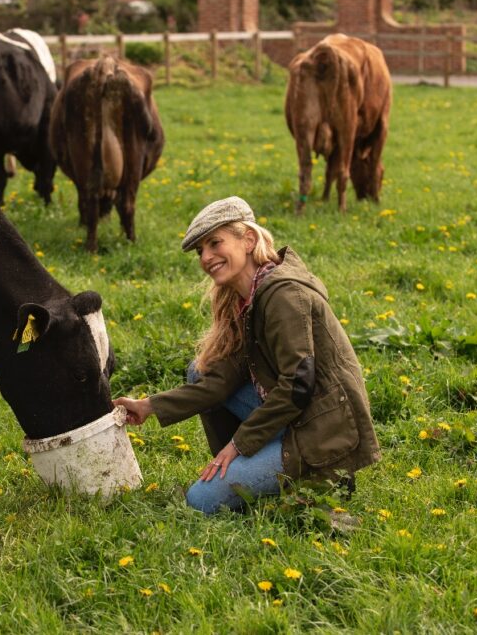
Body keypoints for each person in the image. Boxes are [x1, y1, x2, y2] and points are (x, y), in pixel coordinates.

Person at [113, 197, 381, 515]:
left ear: (248, 240)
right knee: (200, 372)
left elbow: (298, 384)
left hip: (322, 429)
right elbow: (223, 379)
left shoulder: (282, 295)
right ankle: (245, 469)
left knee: (201, 502)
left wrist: (240, 443)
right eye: (201, 250)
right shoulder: (248, 296)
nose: (207, 257)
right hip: (297, 414)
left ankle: (323, 477)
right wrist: (150, 406)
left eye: (215, 243)